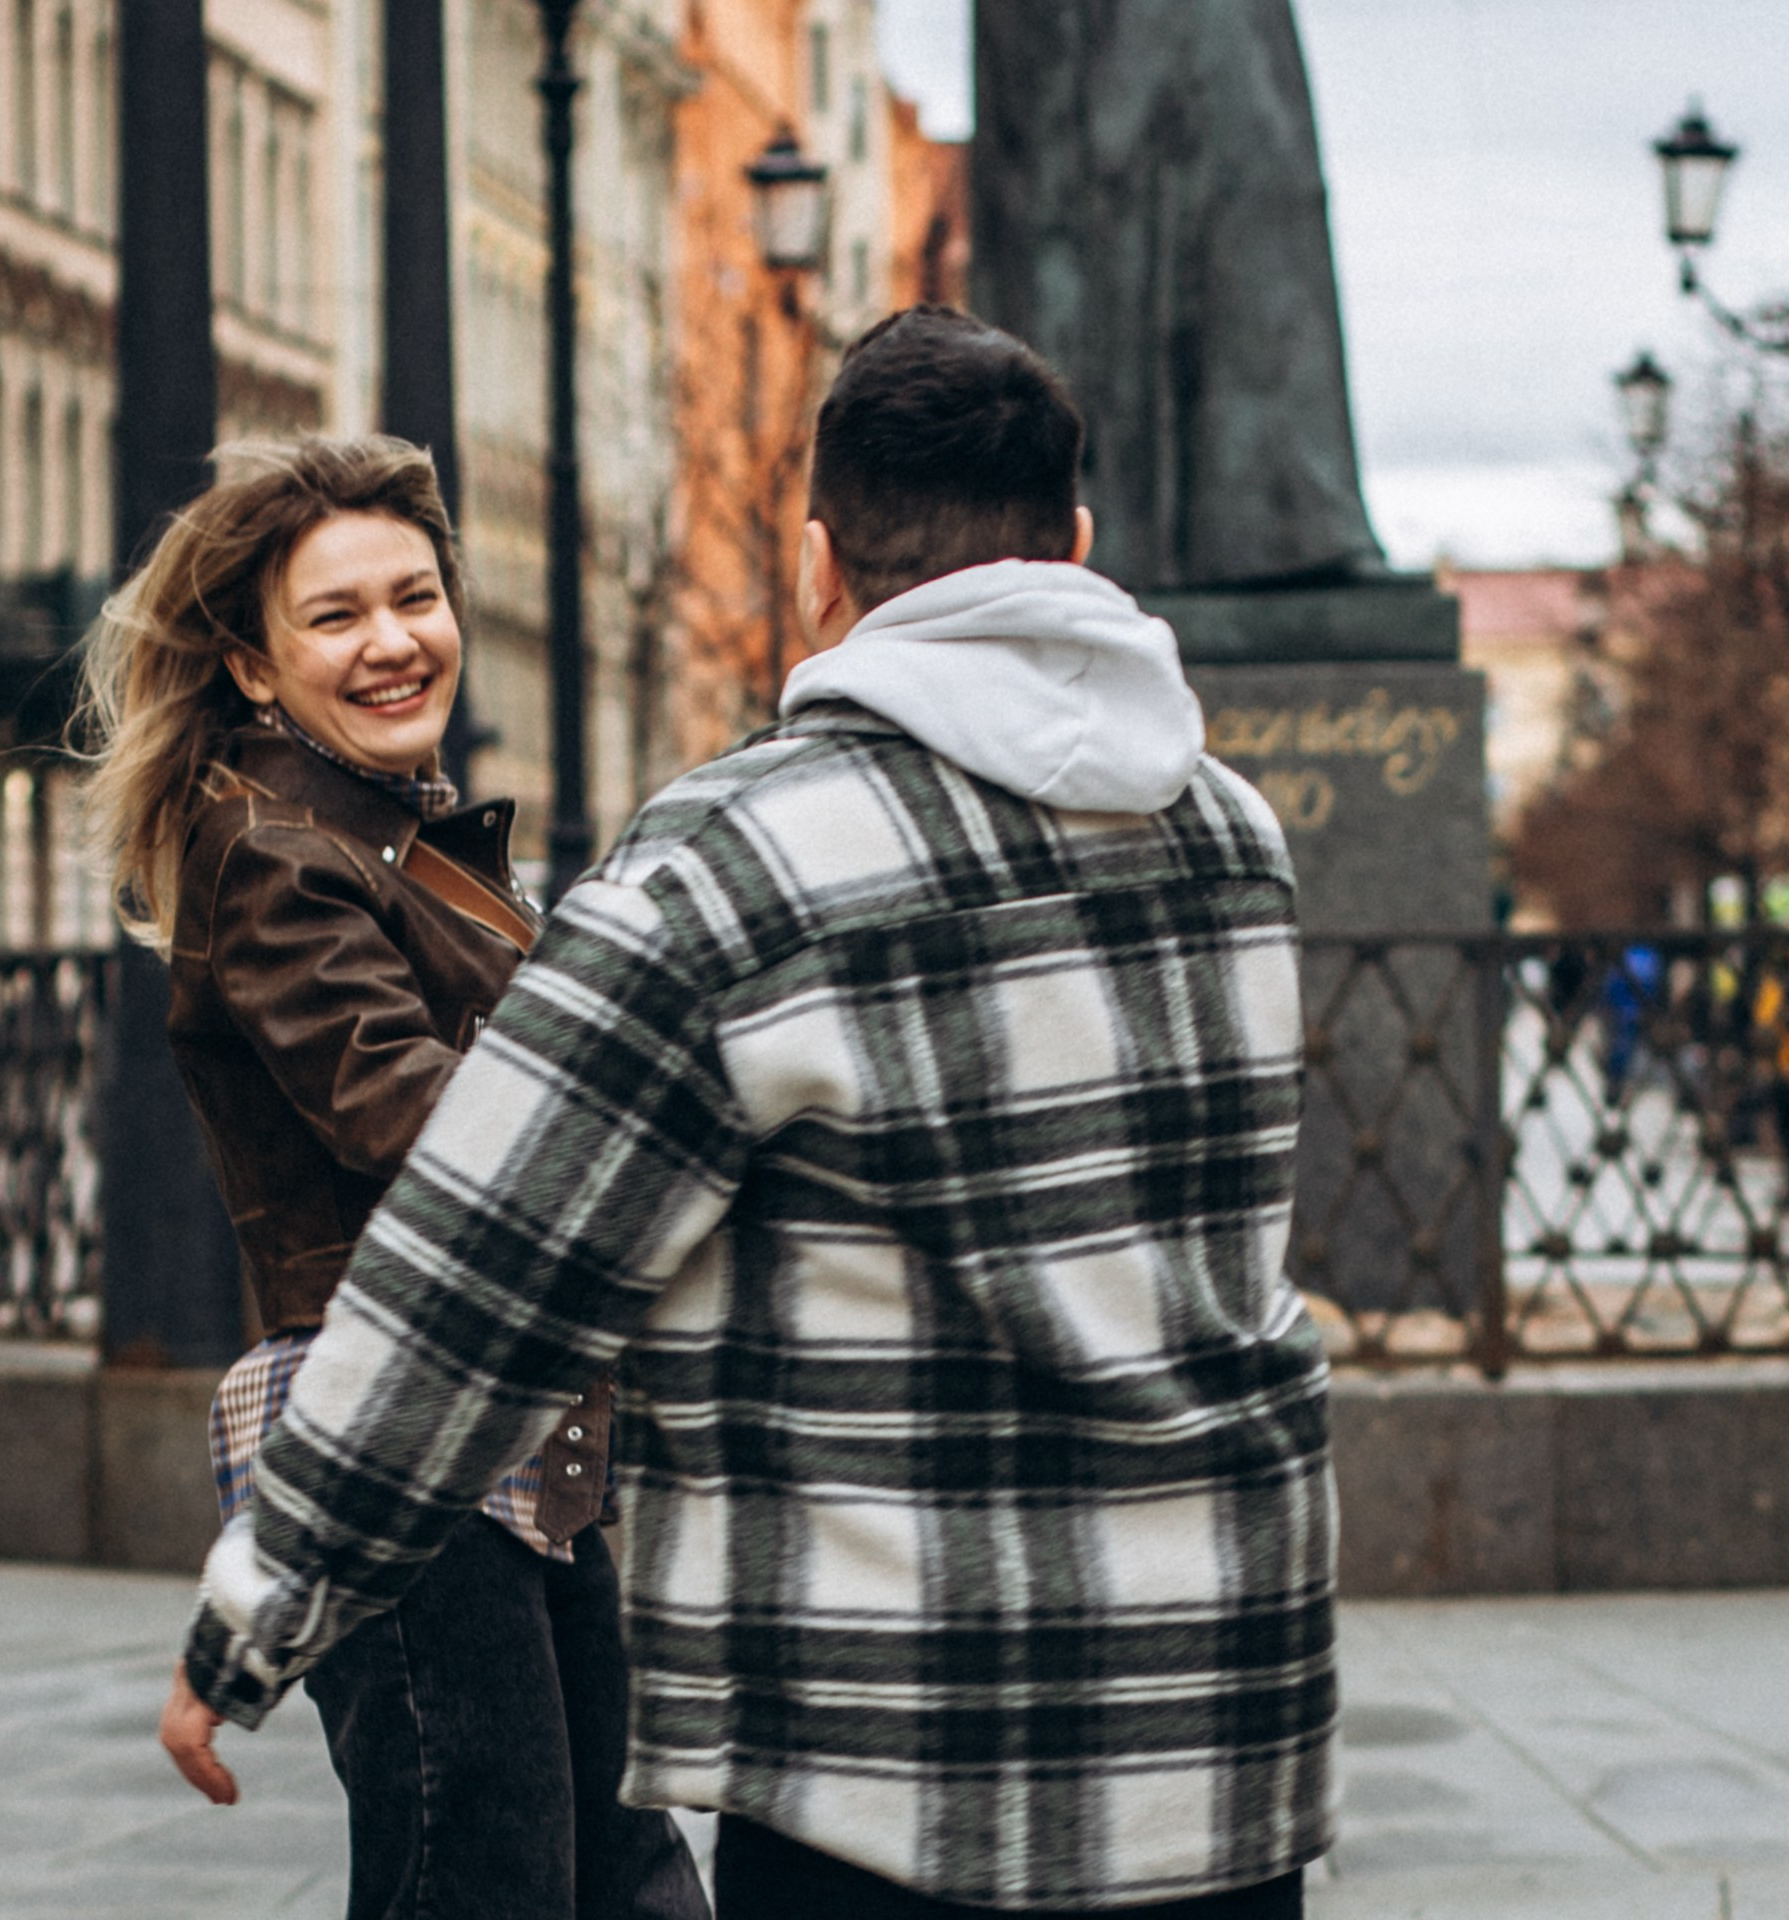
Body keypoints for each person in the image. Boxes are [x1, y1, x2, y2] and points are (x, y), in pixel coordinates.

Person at [173, 314, 1338, 1917]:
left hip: (882, 1753)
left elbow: (483, 1264)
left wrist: (261, 1603)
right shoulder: (1237, 840)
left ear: (815, 566)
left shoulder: (731, 858)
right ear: (1074, 547)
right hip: (1222, 1722)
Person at [78, 434, 708, 1920]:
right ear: (252, 667)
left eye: (415, 598)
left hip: (514, 1423)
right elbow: (429, 1131)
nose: (392, 642)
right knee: (484, 1879)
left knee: (623, 1874)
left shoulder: (407, 836)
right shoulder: (274, 857)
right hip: (407, 1453)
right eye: (337, 616)